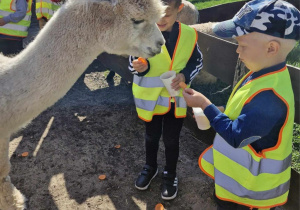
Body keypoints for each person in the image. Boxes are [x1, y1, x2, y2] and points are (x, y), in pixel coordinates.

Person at [182, 0, 299, 209]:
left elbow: (237, 136)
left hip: (251, 189)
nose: (238, 51)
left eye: (242, 45)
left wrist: (204, 104)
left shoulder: (270, 96)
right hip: (239, 180)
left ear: (271, 48)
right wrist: (223, 112)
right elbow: (247, 114)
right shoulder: (263, 75)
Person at [128, 0, 203, 200]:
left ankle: (170, 175)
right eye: (157, 14)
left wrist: (185, 75)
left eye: (167, 15)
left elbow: (197, 60)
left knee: (171, 140)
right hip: (151, 100)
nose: (161, 20)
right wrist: (141, 66)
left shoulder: (188, 35)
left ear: (179, 9)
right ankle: (150, 167)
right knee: (151, 137)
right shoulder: (142, 32)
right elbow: (133, 62)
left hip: (175, 100)